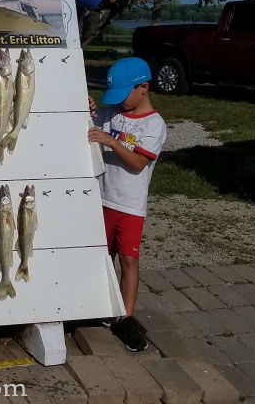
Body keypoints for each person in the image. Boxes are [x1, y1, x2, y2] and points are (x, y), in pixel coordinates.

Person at [87, 57, 167, 352]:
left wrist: (112, 142)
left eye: (123, 96)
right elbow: (91, 124)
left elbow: (137, 164)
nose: (118, 103)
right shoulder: (112, 113)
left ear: (143, 88)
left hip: (130, 206)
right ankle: (102, 304)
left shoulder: (153, 125)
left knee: (128, 260)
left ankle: (125, 315)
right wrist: (91, 110)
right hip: (103, 199)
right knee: (103, 255)